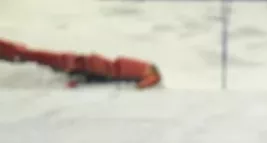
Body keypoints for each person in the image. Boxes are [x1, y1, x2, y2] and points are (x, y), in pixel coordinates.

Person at [1, 38, 161, 89]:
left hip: (80, 63)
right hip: (79, 65)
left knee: (27, 55)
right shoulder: (145, 73)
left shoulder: (141, 69)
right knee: (27, 56)